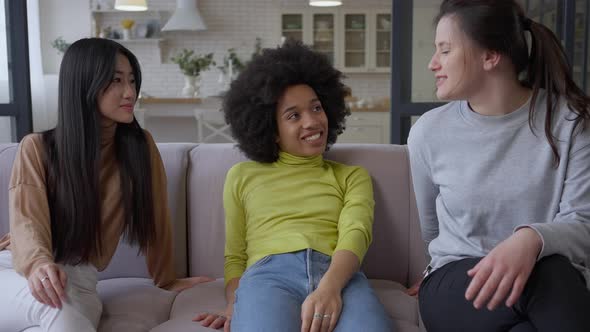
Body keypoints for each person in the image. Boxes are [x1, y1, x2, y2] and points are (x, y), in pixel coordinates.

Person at [0, 38, 211, 332]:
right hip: (17, 269)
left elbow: (157, 217)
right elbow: (27, 222)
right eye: (116, 81)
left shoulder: (139, 147)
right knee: (60, 313)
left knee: (65, 319)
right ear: (85, 84)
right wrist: (37, 265)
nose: (130, 92)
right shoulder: (37, 147)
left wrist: (167, 278)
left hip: (80, 278)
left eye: (133, 80)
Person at [407, 1, 590, 331]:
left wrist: (530, 241)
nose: (433, 63)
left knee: (542, 285)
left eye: (445, 51)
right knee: (549, 279)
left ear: (490, 56)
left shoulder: (569, 122)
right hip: (459, 282)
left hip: (548, 275)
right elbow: (431, 230)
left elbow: (584, 222)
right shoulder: (427, 133)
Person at [193, 40, 393, 332]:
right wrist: (237, 304)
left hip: (338, 274)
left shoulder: (352, 176)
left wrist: (330, 288)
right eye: (294, 115)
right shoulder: (242, 176)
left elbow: (356, 234)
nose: (312, 122)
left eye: (316, 108)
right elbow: (235, 256)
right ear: (271, 130)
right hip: (267, 276)